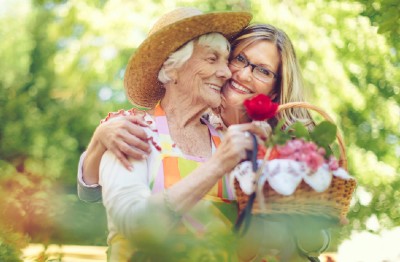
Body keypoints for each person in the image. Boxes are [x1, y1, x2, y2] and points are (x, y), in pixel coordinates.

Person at [78, 19, 328, 260]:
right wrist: (98, 144)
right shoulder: (134, 131)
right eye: (236, 59)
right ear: (172, 66)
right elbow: (128, 219)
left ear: (275, 89)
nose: (231, 72)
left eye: (263, 70)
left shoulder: (246, 143)